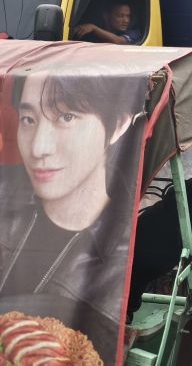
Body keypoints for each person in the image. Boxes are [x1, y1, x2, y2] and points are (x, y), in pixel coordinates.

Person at [0, 67, 147, 359]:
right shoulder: (5, 202)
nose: (39, 147)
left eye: (66, 117)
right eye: (28, 119)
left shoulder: (126, 252)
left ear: (117, 124)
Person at [71, 0, 142, 45]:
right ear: (106, 16)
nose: (126, 20)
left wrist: (93, 28)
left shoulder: (134, 33)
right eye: (120, 16)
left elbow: (120, 42)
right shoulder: (91, 35)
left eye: (128, 16)